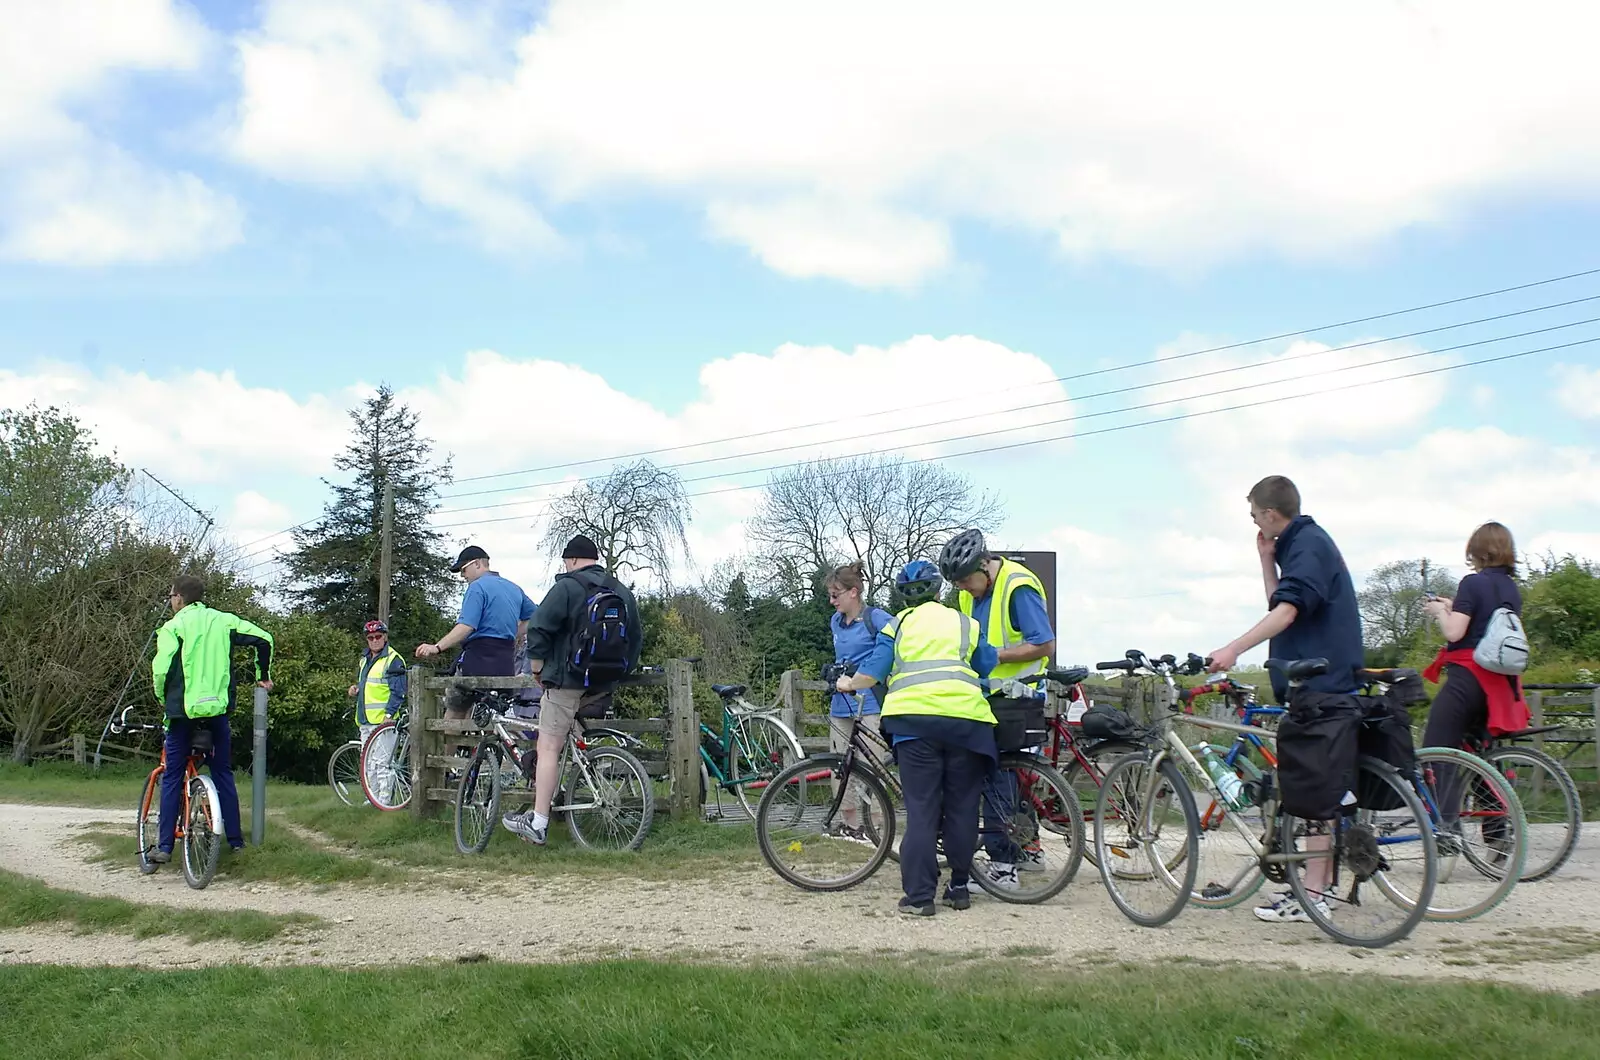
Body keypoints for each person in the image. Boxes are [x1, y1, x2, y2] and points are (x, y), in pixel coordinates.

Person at [1206, 475, 1364, 924]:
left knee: (1315, 794)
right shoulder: (1297, 544)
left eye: (1255, 515)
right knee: (1324, 793)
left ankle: (1312, 896)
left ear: (1271, 514)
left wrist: (1234, 648)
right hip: (1318, 680)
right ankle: (1321, 890)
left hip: (1323, 682)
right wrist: (1266, 560)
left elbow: (1287, 613)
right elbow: (1283, 601)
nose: (1253, 521)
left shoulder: (1309, 544)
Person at [836, 560, 999, 916]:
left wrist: (848, 683)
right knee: (962, 807)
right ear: (940, 590)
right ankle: (958, 887)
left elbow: (874, 671)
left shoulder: (899, 625)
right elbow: (986, 665)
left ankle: (920, 898)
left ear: (902, 595)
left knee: (923, 811)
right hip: (966, 724)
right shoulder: (964, 623)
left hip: (914, 726)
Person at [504, 535, 642, 845]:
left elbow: (538, 628)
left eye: (566, 561)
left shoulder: (567, 587)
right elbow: (635, 637)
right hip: (604, 683)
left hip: (567, 682)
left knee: (548, 747)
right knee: (571, 738)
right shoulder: (619, 590)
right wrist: (619, 672)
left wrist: (538, 668)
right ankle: (571, 797)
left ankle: (538, 823)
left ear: (573, 560)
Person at [938, 528, 1056, 889]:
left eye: (965, 581)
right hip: (987, 695)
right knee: (984, 773)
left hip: (1019, 696)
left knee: (999, 778)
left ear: (983, 567)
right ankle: (1018, 852)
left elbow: (1045, 644)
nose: (963, 589)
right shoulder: (968, 595)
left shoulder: (1017, 586)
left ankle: (1004, 867)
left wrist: (995, 656)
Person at [149, 575, 273, 864]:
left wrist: (162, 698)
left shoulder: (172, 627)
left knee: (172, 776)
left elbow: (161, 671)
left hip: (182, 714)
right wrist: (262, 676)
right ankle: (236, 841)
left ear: (179, 597)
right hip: (218, 711)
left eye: (170, 597)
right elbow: (264, 639)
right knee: (222, 774)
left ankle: (165, 846)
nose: (170, 602)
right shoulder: (224, 621)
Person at [1421, 521, 1529, 761]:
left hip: (1469, 678)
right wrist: (1452, 605)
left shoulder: (1472, 582)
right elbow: (1488, 622)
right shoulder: (1511, 588)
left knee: (1437, 752)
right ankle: (1497, 799)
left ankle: (1440, 799)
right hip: (1500, 684)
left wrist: (1440, 612)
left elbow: (1454, 633)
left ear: (1477, 552)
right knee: (1480, 755)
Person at [416, 545, 535, 720]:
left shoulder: (477, 587)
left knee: (454, 713)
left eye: (464, 570)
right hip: (505, 663)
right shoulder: (514, 588)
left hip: (478, 660)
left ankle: (449, 747)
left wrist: (437, 647)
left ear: (478, 564)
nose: (463, 576)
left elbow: (466, 627)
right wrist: (514, 631)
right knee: (491, 716)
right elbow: (535, 618)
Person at [825, 561, 895, 841]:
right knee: (839, 766)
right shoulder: (835, 622)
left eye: (836, 594)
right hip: (841, 703)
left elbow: (894, 642)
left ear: (854, 592)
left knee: (872, 767)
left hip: (869, 704)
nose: (832, 601)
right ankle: (848, 824)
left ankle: (874, 826)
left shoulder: (875, 617)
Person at [348, 619, 407, 798]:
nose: (374, 640)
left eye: (378, 636)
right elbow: (369, 685)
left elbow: (398, 691)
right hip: (365, 719)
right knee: (367, 763)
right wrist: (356, 689)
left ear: (385, 637)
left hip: (384, 721)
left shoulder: (393, 659)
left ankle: (384, 801)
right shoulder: (364, 660)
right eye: (370, 637)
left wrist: (389, 715)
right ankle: (371, 799)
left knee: (382, 762)